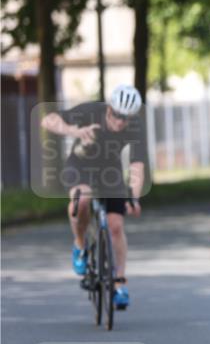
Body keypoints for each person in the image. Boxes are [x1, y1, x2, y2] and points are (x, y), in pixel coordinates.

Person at [40, 84, 147, 310]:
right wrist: (74, 131)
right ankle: (79, 244)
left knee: (116, 225)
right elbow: (47, 120)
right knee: (83, 200)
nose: (120, 122)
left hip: (110, 172)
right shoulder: (90, 111)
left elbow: (137, 164)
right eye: (117, 115)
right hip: (80, 167)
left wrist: (134, 197)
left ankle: (119, 283)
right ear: (109, 109)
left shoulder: (135, 127)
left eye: (125, 118)